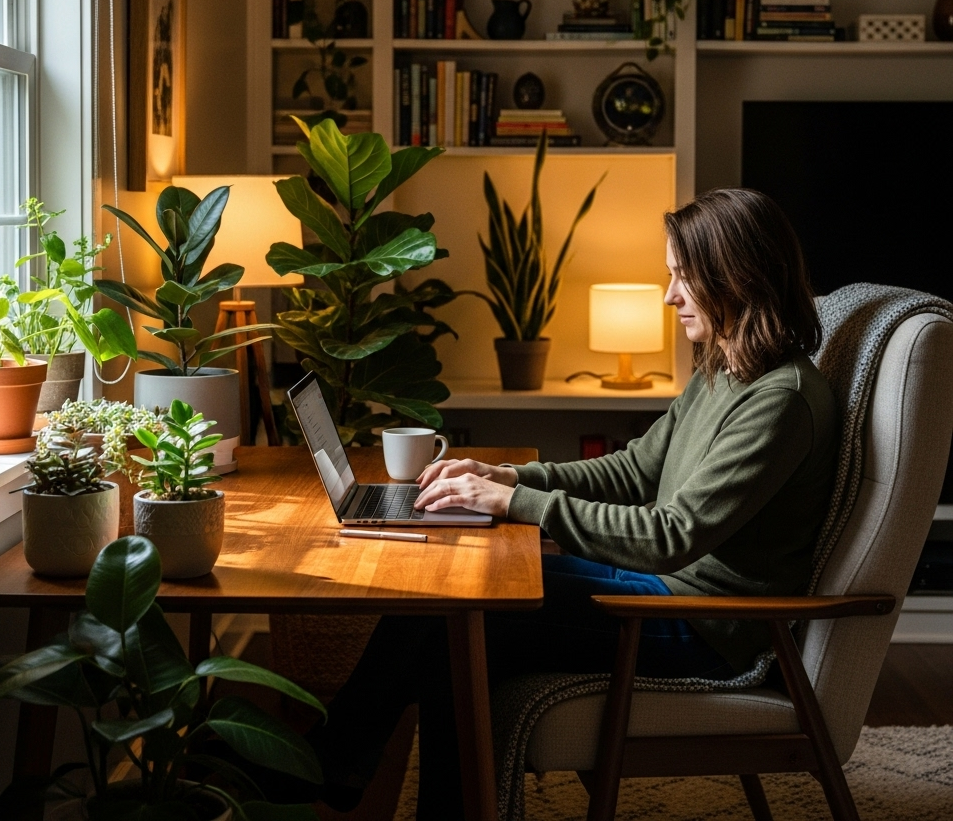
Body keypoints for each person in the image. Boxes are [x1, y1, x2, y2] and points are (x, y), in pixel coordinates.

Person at [261, 188, 839, 820]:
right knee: (450, 605)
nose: (671, 295)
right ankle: (345, 767)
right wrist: (507, 473)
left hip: (701, 626)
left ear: (736, 277)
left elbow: (673, 535)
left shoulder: (779, 401)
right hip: (660, 591)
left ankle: (332, 763)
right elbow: (637, 468)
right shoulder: (727, 368)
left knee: (457, 619)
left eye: (684, 277)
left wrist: (514, 501)